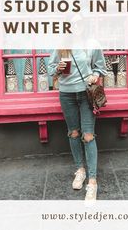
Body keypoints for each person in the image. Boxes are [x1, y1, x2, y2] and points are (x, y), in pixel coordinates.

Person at [48, 49, 107, 201]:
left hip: (86, 93)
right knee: (73, 133)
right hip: (66, 95)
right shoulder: (61, 45)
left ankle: (92, 182)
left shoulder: (92, 44)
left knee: (88, 136)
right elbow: (50, 69)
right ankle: (80, 170)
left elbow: (100, 67)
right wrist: (57, 69)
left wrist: (95, 75)